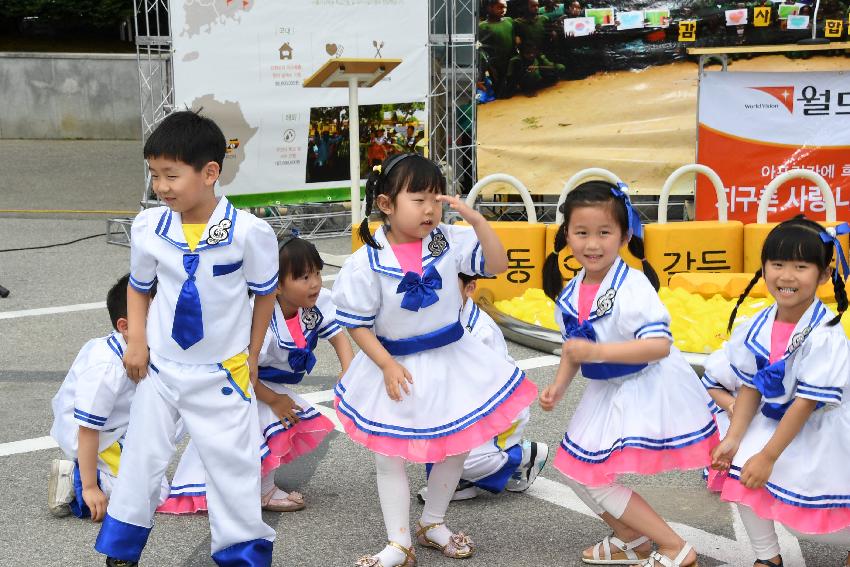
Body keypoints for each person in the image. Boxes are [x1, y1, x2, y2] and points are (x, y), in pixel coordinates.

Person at [332, 153, 538, 566]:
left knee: (454, 446)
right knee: (389, 456)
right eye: (418, 199)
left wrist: (477, 222)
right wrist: (386, 364)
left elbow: (497, 264)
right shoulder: (364, 262)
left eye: (435, 199)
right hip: (395, 366)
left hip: (451, 358)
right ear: (387, 205)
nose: (430, 209)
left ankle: (432, 523)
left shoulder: (451, 239)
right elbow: (358, 325)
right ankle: (399, 543)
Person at [94, 110, 280, 567]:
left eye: (172, 175)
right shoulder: (150, 228)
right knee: (141, 459)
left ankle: (242, 558)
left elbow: (264, 296)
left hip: (222, 372)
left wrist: (252, 357)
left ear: (210, 172)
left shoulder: (250, 233)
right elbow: (139, 289)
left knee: (233, 471)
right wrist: (137, 342)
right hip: (162, 369)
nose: (161, 186)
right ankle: (120, 553)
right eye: (155, 175)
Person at [539, 181, 718, 567]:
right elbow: (575, 348)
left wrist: (596, 351)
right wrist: (557, 385)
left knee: (590, 475)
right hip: (609, 386)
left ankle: (674, 547)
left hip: (647, 385)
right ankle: (630, 538)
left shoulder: (632, 285)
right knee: (573, 468)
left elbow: (659, 346)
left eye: (604, 233)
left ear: (624, 235)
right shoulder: (572, 291)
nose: (593, 243)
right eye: (582, 233)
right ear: (565, 234)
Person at [158, 234, 353, 515]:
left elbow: (337, 335)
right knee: (263, 423)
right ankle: (264, 492)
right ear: (274, 286)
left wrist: (347, 368)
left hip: (263, 381)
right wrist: (273, 399)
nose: (315, 283)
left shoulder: (318, 301)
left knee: (279, 419)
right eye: (303, 277)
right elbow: (240, 373)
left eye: (317, 273)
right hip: (234, 383)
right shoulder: (256, 318)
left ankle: (257, 483)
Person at [711, 217, 850, 567]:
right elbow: (750, 386)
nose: (786, 276)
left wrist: (769, 456)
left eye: (800, 266)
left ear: (822, 275)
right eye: (777, 264)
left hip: (823, 427)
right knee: (741, 474)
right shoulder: (756, 324)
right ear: (763, 268)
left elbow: (806, 403)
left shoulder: (826, 334)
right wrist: (734, 437)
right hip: (778, 421)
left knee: (826, 507)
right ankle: (766, 558)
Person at [417, 273, 549, 503]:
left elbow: (494, 390)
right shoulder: (436, 317)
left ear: (470, 288)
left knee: (462, 457)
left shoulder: (481, 331)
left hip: (497, 409)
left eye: (447, 287)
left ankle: (522, 456)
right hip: (458, 401)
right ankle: (460, 480)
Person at [49, 275, 168, 521]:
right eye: (156, 317)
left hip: (116, 427)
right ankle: (73, 475)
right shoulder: (106, 368)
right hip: (97, 436)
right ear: (125, 326)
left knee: (155, 476)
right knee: (152, 495)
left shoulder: (137, 347)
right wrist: (91, 488)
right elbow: (87, 429)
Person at [478, 0, 516, 98]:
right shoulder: (483, 26)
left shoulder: (509, 21)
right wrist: (488, 66)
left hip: (511, 60)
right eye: (499, 7)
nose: (503, 10)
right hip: (496, 64)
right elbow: (481, 48)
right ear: (490, 8)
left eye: (505, 7)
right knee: (502, 94)